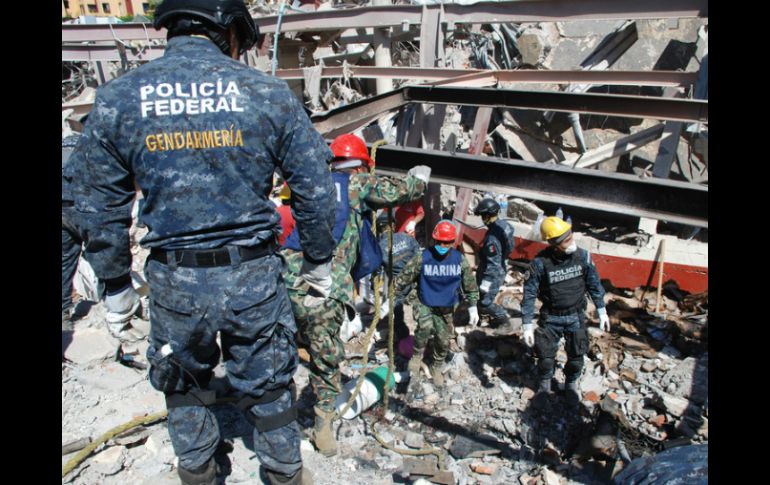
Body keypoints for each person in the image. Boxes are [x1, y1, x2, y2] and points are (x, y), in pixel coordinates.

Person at [68, 1, 337, 484]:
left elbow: (94, 201)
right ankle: (283, 474)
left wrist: (114, 284)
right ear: (229, 31)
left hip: (175, 281)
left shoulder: (119, 98)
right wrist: (318, 259)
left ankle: (198, 472)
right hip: (252, 276)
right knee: (271, 384)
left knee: (183, 380)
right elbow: (315, 187)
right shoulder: (267, 94)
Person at [282, 133, 429, 457]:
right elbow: (401, 191)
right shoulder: (357, 184)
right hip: (322, 287)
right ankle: (322, 426)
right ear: (363, 165)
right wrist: (418, 180)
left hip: (283, 277)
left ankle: (274, 411)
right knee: (326, 358)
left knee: (280, 348)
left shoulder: (309, 180)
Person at [520, 216, 610, 407]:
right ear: (553, 243)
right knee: (545, 357)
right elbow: (529, 294)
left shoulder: (583, 257)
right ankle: (545, 385)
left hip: (576, 316)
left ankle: (571, 385)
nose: (571, 242)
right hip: (551, 317)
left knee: (577, 356)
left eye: (571, 237)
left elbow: (594, 284)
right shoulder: (540, 264)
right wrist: (527, 324)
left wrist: (601, 309)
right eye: (566, 240)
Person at [393, 220, 479, 389]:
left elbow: (469, 284)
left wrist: (473, 306)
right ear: (434, 240)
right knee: (424, 328)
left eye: (446, 242)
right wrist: (390, 296)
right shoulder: (422, 258)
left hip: (446, 306)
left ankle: (437, 365)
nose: (442, 245)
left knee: (443, 339)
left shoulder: (458, 259)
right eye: (439, 241)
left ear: (452, 242)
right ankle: (417, 356)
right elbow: (403, 277)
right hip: (425, 301)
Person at [472, 197, 516, 332]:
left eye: (482, 216)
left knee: (485, 303)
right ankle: (482, 317)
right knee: (481, 296)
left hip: (492, 271)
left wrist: (487, 282)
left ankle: (504, 321)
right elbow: (510, 247)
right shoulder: (505, 226)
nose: (482, 219)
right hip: (500, 264)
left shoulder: (492, 239)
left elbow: (493, 264)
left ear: (487, 216)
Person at [375, 212, 421, 342]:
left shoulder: (379, 248)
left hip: (398, 287)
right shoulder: (407, 238)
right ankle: (423, 337)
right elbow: (421, 258)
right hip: (416, 282)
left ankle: (402, 335)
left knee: (397, 309)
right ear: (393, 225)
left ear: (379, 229)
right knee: (420, 311)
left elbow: (377, 272)